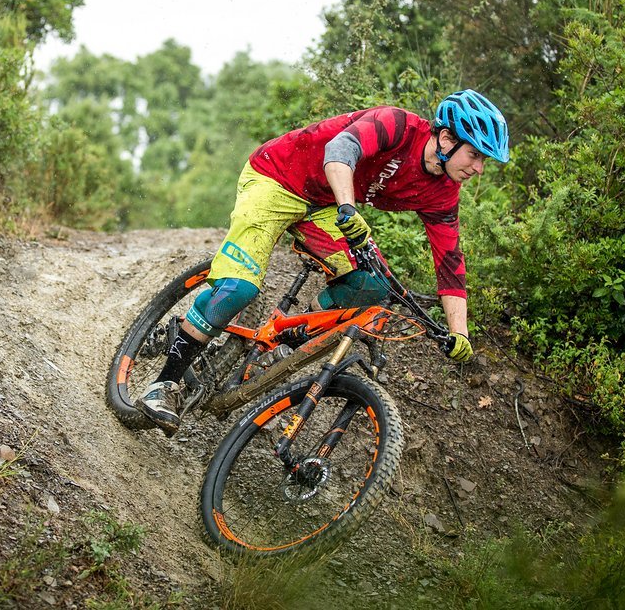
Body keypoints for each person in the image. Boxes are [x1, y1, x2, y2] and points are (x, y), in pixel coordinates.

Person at [136, 89, 510, 434]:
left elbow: (450, 263)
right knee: (239, 288)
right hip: (277, 178)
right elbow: (340, 150)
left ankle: (279, 344)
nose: (479, 168)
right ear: (447, 139)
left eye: (484, 160)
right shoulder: (396, 125)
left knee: (373, 284)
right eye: (475, 154)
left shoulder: (443, 191)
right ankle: (163, 384)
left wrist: (458, 332)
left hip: (322, 206)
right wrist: (348, 210)